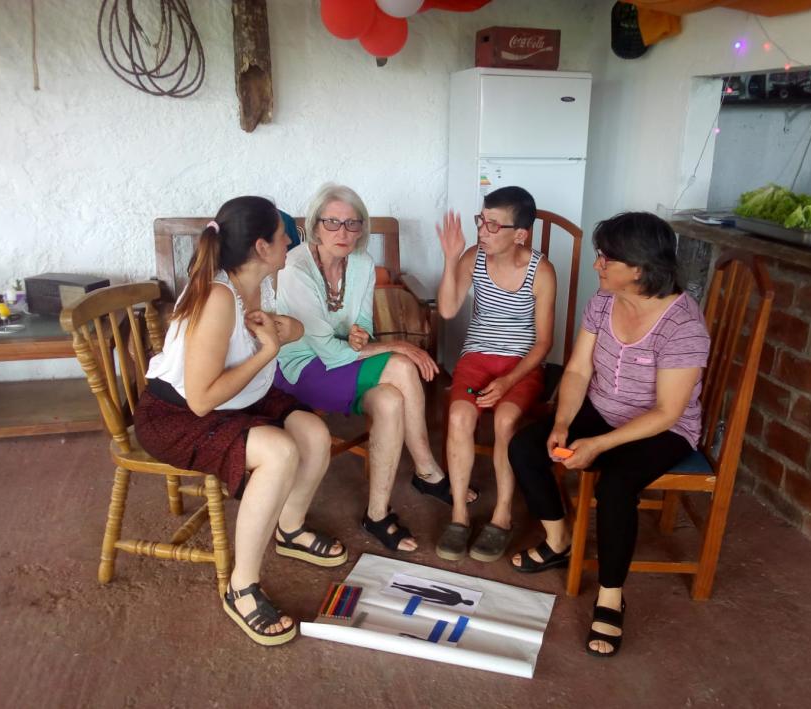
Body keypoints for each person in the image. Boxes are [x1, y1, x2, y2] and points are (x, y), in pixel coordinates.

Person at [134, 196, 346, 648]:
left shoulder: (253, 285)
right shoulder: (217, 298)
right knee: (280, 451)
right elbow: (200, 400)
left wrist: (288, 328)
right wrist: (270, 350)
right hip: (176, 417)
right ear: (262, 246)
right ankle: (241, 587)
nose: (290, 239)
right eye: (283, 234)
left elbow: (275, 334)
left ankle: (289, 529)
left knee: (313, 432)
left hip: (236, 400)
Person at [508, 212, 710, 658]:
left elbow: (667, 411)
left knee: (617, 485)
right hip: (602, 409)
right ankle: (558, 542)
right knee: (527, 445)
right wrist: (563, 422)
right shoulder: (602, 302)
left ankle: (611, 595)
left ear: (638, 269)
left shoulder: (683, 326)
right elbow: (579, 369)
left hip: (663, 428)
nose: (598, 265)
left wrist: (598, 445)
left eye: (606, 258)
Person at [274, 183, 476, 553]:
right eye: (332, 222)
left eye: (353, 224)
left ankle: (378, 513)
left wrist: (357, 335)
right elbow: (328, 353)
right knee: (401, 365)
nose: (343, 232)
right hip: (302, 365)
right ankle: (427, 470)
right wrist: (396, 345)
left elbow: (363, 327)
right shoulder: (294, 268)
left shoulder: (364, 264)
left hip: (343, 360)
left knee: (389, 401)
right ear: (315, 226)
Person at [433, 186, 556, 564]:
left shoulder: (541, 270)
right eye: (480, 221)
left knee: (505, 420)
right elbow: (449, 310)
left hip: (520, 364)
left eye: (491, 225)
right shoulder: (475, 258)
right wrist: (451, 260)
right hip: (477, 358)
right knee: (459, 415)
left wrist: (508, 381)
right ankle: (458, 514)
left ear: (520, 234)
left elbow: (543, 344)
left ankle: (502, 515)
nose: (481, 231)